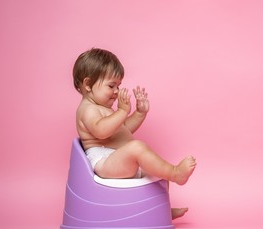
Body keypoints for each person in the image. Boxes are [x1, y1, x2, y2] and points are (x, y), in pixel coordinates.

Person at [73, 48, 196, 219]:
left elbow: (122, 130)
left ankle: (162, 210)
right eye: (111, 85)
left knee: (157, 168)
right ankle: (176, 173)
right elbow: (101, 131)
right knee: (137, 148)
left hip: (117, 160)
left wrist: (139, 113)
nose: (116, 91)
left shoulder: (105, 110)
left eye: (118, 85)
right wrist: (122, 112)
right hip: (104, 163)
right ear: (87, 84)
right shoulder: (88, 109)